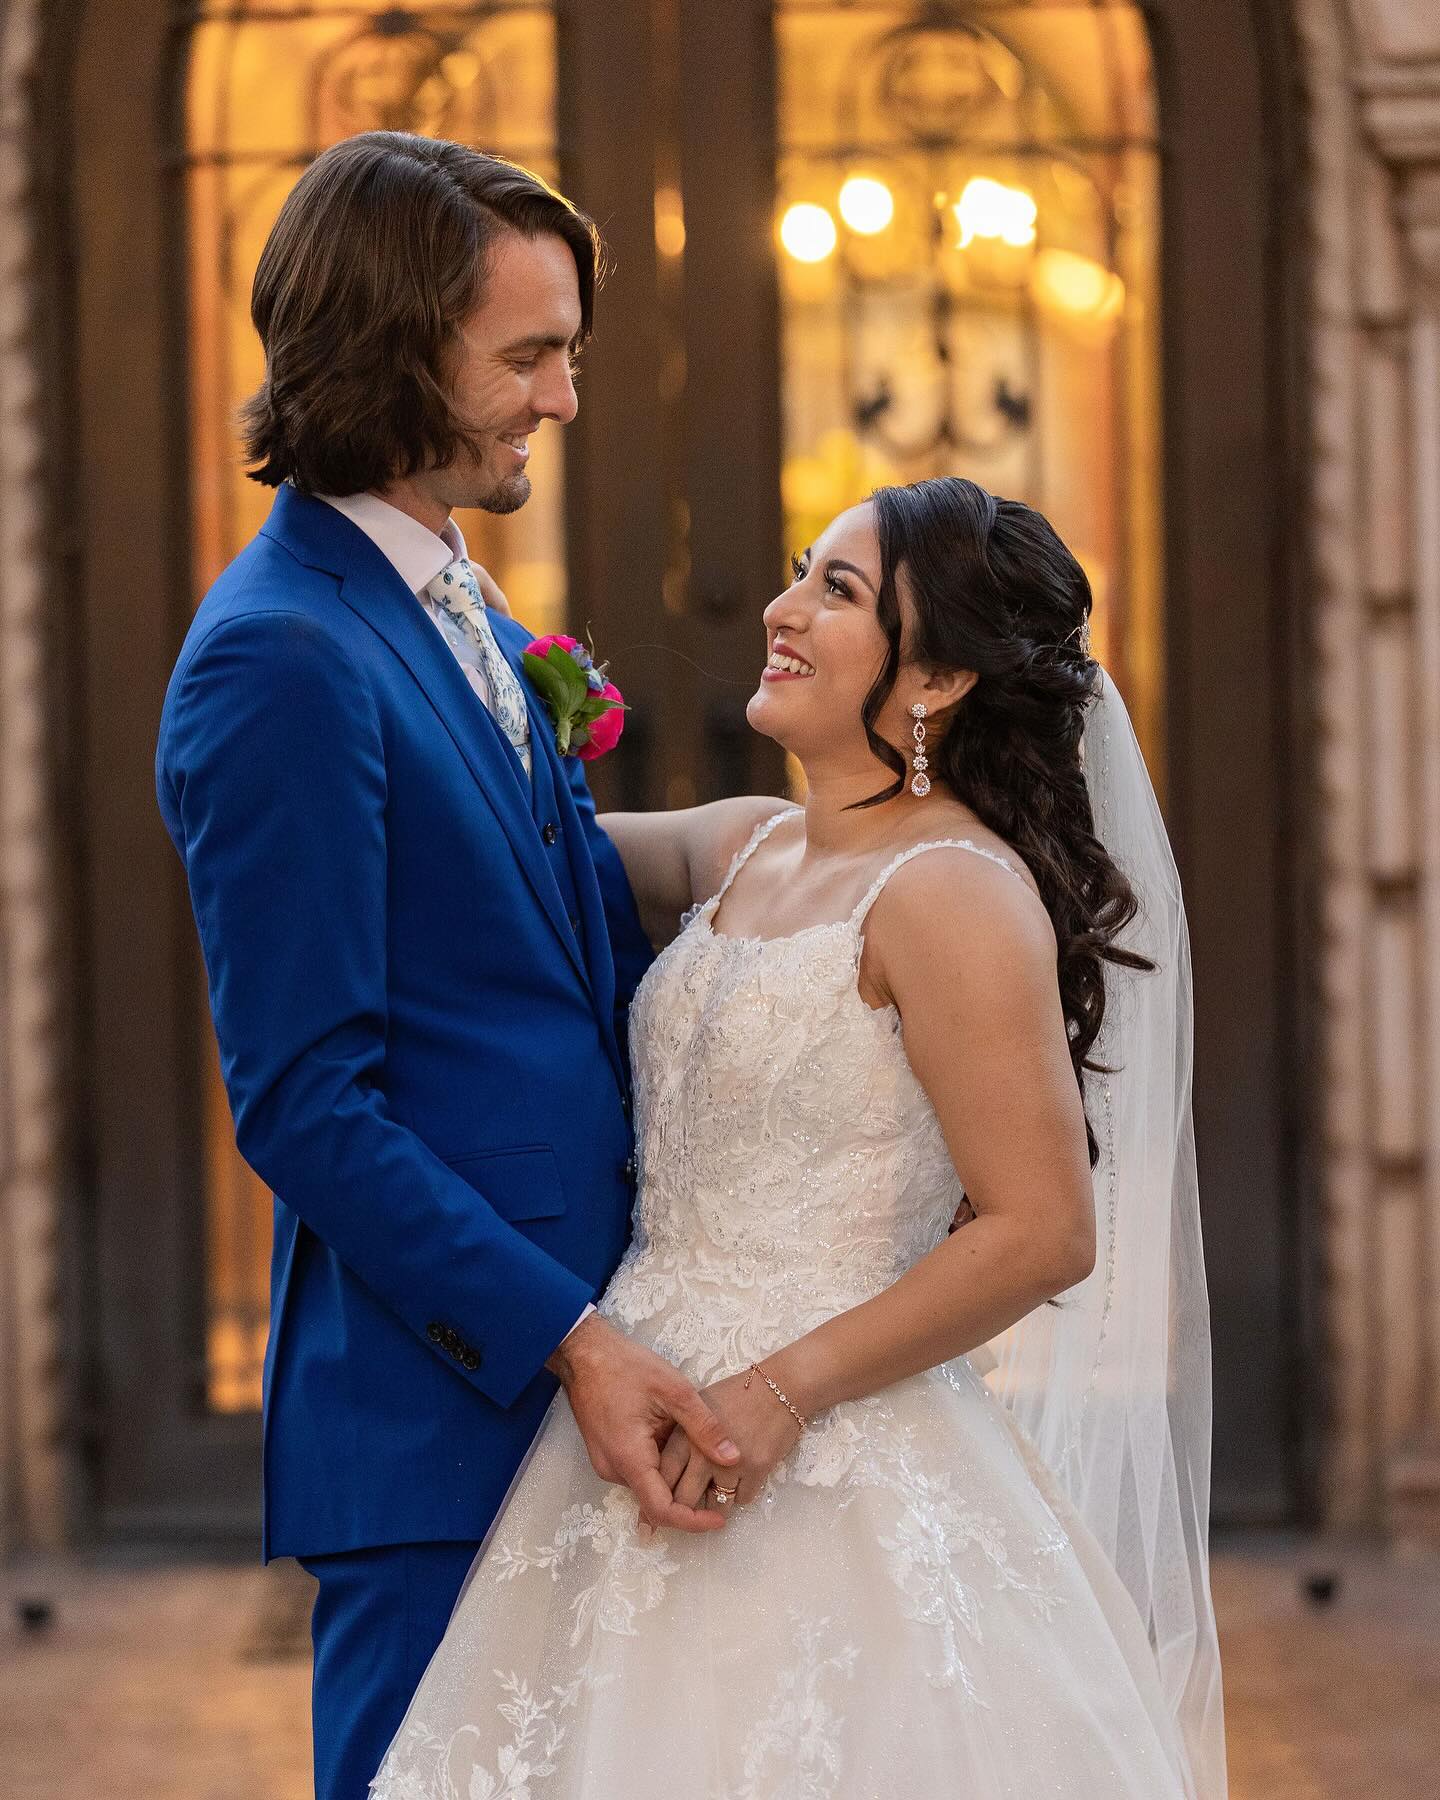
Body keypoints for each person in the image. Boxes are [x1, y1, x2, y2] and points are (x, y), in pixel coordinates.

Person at [371, 478, 1228, 1798]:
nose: (779, 611)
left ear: (935, 680)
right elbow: (509, 855)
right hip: (634, 1419)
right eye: (798, 572)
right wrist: (466, 645)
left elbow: (1043, 1229)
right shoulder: (745, 851)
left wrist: (776, 1394)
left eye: (836, 591)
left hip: (830, 1445)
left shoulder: (949, 895)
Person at [154, 132, 751, 1800]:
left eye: (573, 353)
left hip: (577, 1382)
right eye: (531, 358)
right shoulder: (279, 658)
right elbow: (306, 1108)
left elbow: (518, 901)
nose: (566, 399)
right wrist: (574, 1340)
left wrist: (781, 845)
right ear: (391, 349)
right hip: (446, 1412)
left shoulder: (455, 605)